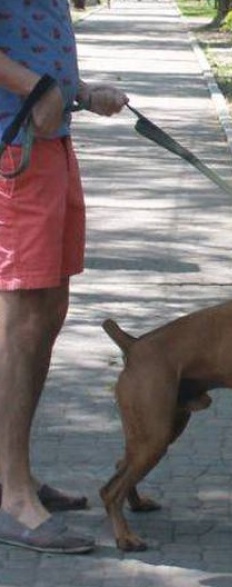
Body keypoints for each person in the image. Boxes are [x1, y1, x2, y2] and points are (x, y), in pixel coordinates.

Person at [0, 2, 128, 553]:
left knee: (47, 313)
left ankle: (14, 474)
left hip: (48, 141)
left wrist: (76, 91)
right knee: (23, 321)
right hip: (16, 145)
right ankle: (10, 497)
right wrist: (41, 89)